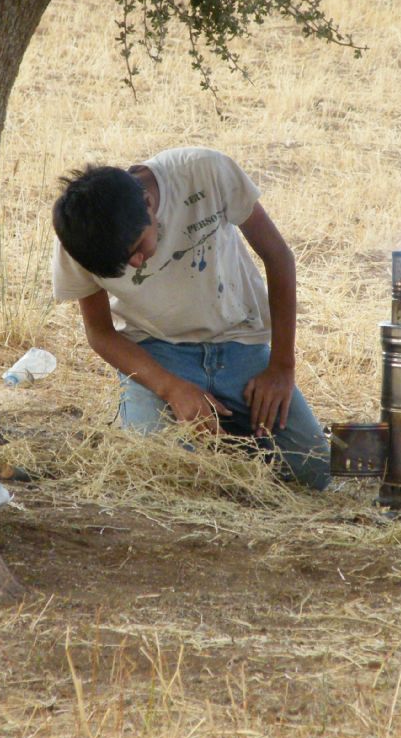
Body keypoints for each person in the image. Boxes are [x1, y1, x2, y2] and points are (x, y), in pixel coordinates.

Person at [51, 146, 332, 489]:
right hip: (156, 355)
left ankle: (228, 442)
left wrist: (281, 367)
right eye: (123, 265)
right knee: (160, 476)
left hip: (239, 344)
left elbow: (278, 257)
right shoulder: (79, 238)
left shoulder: (203, 171)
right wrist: (171, 389)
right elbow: (100, 333)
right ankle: (215, 442)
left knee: (314, 471)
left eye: (137, 248)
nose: (137, 264)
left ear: (148, 204)